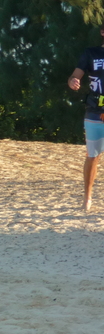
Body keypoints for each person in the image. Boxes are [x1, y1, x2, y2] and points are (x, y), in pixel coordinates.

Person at [67, 28, 104, 211]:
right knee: (93, 155)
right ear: (103, 32)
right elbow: (75, 76)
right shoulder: (91, 53)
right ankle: (87, 198)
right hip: (95, 111)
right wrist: (73, 81)